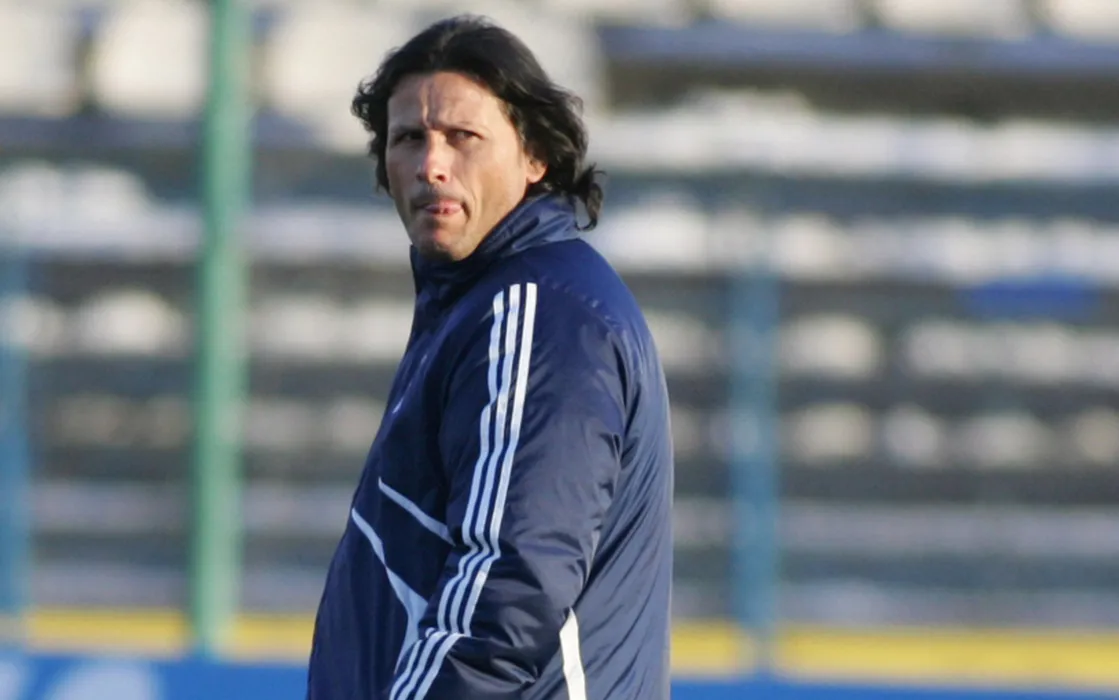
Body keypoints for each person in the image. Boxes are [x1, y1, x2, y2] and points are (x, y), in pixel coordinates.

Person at [306, 14, 674, 700]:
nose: (431, 165)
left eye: (462, 137)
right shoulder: (480, 306)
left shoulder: (537, 315)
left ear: (535, 157)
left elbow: (507, 589)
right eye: (408, 139)